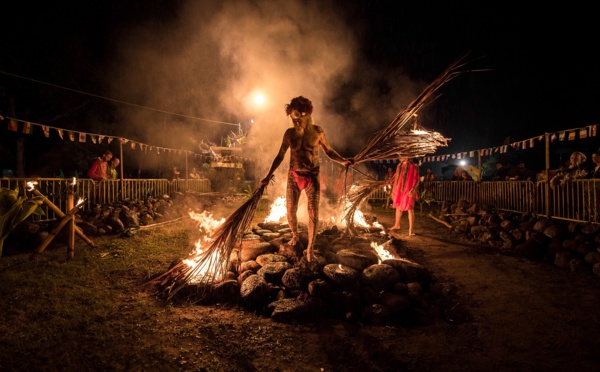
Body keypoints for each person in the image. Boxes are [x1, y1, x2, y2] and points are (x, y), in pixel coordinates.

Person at [261, 96, 353, 262]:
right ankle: (295, 235)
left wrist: (343, 160)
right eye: (292, 118)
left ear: (306, 114)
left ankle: (310, 248)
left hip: (312, 176)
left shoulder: (317, 132)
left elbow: (329, 151)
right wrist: (267, 176)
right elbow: (280, 155)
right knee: (290, 211)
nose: (295, 121)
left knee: (313, 214)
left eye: (297, 116)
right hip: (293, 175)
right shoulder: (289, 134)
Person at [388, 156, 420, 236]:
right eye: (399, 155)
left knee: (410, 208)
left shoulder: (413, 166)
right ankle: (397, 225)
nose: (400, 157)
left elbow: (417, 179)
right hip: (399, 189)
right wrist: (390, 181)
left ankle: (411, 229)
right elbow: (396, 176)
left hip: (408, 189)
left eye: (402, 155)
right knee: (398, 206)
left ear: (407, 156)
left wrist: (413, 189)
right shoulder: (399, 165)